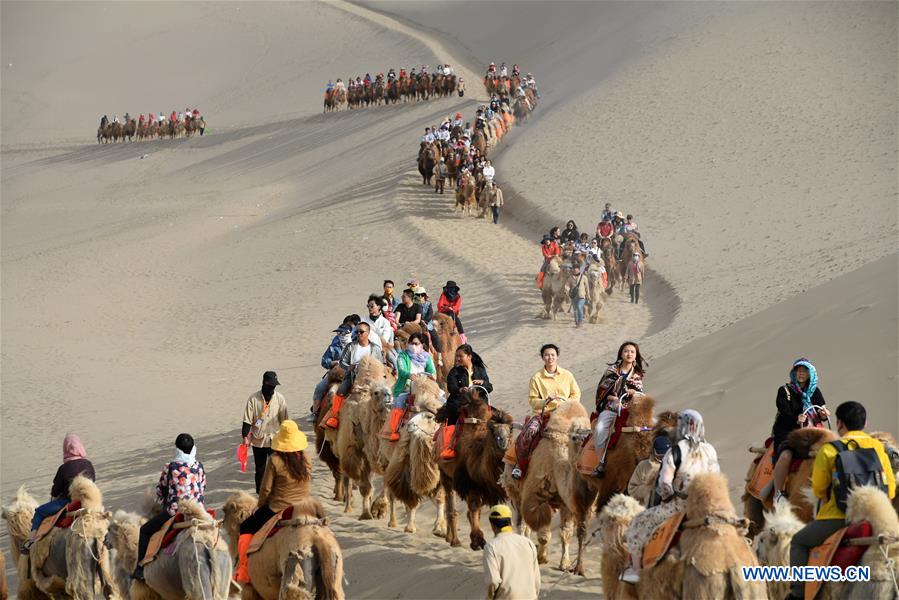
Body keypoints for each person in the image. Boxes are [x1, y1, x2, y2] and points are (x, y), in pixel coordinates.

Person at [786, 401, 895, 600]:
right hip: (876, 517)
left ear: (839, 424)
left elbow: (818, 488)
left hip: (839, 517)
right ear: (865, 423)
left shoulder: (829, 450)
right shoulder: (879, 448)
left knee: (799, 542)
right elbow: (891, 490)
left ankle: (797, 594)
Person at [622, 410, 720, 583]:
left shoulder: (676, 451)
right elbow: (716, 479)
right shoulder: (710, 450)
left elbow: (664, 485)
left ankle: (635, 570)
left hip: (679, 506)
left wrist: (668, 496)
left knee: (637, 524)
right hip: (706, 505)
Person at [234, 420, 313, 584]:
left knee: (246, 526)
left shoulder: (275, 460)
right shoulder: (306, 458)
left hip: (279, 509)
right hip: (305, 507)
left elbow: (266, 490)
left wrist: (260, 506)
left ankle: (243, 570)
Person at [132, 433, 205, 581]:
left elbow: (161, 490)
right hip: (198, 511)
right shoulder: (199, 466)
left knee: (144, 530)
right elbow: (202, 488)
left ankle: (140, 570)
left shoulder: (171, 467)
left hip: (174, 511)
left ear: (177, 449)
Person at [512, 344, 581, 479]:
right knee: (529, 433)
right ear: (543, 357)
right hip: (544, 414)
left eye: (552, 355)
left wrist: (566, 403)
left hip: (566, 412)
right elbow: (532, 400)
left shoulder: (567, 375)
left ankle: (587, 463)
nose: (550, 358)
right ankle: (520, 465)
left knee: (585, 431)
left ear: (557, 357)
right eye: (547, 355)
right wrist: (545, 401)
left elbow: (576, 394)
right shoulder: (536, 378)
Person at [22, 433, 96, 554]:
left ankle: (31, 541)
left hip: (68, 502)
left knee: (39, 512)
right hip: (89, 502)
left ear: (65, 449)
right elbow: (93, 482)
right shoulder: (89, 464)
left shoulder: (64, 468)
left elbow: (55, 491)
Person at [767, 358, 828, 501]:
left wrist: (823, 414)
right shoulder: (785, 391)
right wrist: (796, 418)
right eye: (798, 370)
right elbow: (784, 411)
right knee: (786, 455)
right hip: (789, 431)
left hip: (812, 431)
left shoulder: (815, 391)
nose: (801, 373)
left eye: (804, 370)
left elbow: (822, 410)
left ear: (810, 373)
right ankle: (778, 494)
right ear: (794, 372)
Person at [592, 341, 647, 477]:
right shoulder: (611, 371)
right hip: (611, 408)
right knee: (600, 429)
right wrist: (613, 399)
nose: (629, 354)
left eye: (632, 352)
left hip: (630, 409)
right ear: (621, 354)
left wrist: (634, 393)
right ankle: (601, 463)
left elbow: (640, 392)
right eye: (626, 351)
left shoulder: (637, 374)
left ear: (635, 356)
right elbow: (601, 393)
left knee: (647, 428)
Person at [324, 322, 385, 429]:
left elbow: (381, 364)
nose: (359, 334)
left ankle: (385, 420)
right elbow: (342, 362)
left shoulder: (375, 348)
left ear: (368, 333)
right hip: (353, 376)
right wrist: (349, 367)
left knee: (385, 394)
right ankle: (334, 416)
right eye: (356, 332)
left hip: (371, 378)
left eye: (361, 332)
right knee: (340, 391)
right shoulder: (351, 347)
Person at [436, 344, 492, 459]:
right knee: (452, 419)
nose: (457, 359)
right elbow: (451, 388)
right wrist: (461, 389)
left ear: (469, 356)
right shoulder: (454, 372)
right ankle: (448, 447)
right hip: (460, 403)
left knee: (495, 418)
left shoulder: (480, 371)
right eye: (457, 356)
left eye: (460, 356)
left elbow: (490, 387)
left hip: (478, 403)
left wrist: (483, 384)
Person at [241, 372, 289, 493]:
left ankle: (277, 492)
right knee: (260, 469)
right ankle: (260, 493)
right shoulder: (253, 399)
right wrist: (245, 437)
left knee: (278, 467)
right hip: (258, 440)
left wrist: (287, 439)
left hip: (275, 439)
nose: (272, 388)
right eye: (271, 385)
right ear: (264, 383)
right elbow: (247, 421)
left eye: (274, 386)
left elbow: (285, 421)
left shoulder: (280, 399)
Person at [385, 333, 437, 440]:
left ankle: (441, 428)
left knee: (442, 400)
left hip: (423, 387)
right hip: (406, 387)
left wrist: (432, 375)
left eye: (416, 343)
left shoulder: (426, 357)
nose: (413, 346)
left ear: (422, 345)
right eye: (411, 343)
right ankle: (394, 429)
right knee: (399, 402)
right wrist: (409, 375)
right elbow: (401, 369)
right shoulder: (402, 356)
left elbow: (432, 370)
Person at [483, 504, 540, 600]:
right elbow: (536, 580)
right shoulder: (528, 543)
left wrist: (489, 598)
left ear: (492, 526)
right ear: (510, 523)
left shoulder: (491, 547)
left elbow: (493, 580)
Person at [308, 322, 355, 422]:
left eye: (342, 334)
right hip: (334, 375)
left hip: (351, 375)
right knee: (319, 388)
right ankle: (315, 413)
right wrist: (333, 363)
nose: (340, 336)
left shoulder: (356, 347)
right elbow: (324, 361)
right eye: (338, 334)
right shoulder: (333, 347)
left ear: (349, 334)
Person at [627, 435, 671, 506]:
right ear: (654, 451)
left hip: (665, 510)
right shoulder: (643, 465)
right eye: (660, 455)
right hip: (645, 511)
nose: (663, 457)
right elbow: (631, 489)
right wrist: (648, 488)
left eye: (665, 454)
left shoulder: (674, 466)